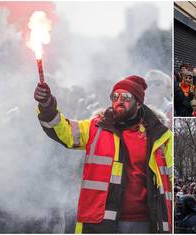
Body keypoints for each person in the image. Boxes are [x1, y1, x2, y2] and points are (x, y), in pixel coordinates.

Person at [34, 75, 172, 233]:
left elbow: (170, 181)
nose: (119, 100)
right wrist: (46, 105)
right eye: (115, 96)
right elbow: (63, 131)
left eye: (126, 97)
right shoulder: (96, 127)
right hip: (101, 223)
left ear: (139, 102)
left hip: (145, 223)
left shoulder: (159, 136)